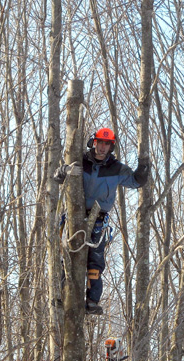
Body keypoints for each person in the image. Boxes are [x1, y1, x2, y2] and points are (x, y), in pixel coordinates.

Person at [53, 127, 149, 314]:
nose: (103, 147)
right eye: (100, 142)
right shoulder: (79, 160)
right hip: (74, 215)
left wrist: (143, 164)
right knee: (66, 257)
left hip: (98, 219)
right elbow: (58, 176)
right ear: (94, 142)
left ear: (111, 146)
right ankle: (63, 295)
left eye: (107, 144)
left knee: (95, 260)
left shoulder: (116, 168)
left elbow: (137, 181)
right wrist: (65, 170)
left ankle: (92, 301)